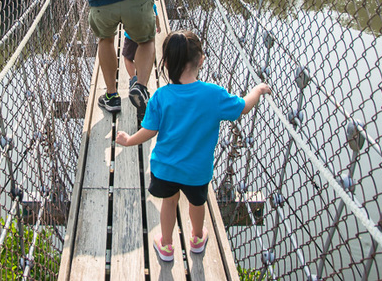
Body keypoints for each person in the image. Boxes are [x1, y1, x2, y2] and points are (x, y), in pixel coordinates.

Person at [115, 30, 271, 263]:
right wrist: (257, 90)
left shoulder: (160, 96)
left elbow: (149, 131)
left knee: (169, 203)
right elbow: (243, 107)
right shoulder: (214, 95)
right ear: (201, 59)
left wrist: (128, 140)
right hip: (197, 172)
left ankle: (166, 246)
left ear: (165, 63)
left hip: (165, 169)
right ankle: (197, 239)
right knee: (198, 204)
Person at [122, 3, 161, 89]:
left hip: (131, 36)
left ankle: (133, 78)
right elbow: (156, 17)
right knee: (142, 58)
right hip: (145, 35)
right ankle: (141, 81)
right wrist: (158, 26)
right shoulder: (152, 4)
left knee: (127, 58)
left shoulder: (129, 2)